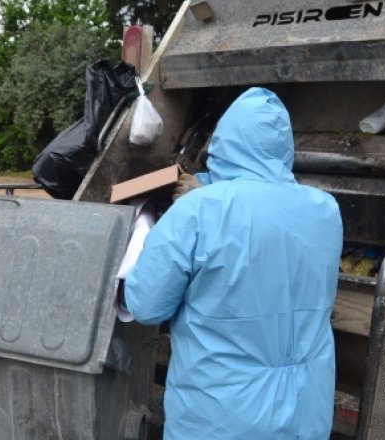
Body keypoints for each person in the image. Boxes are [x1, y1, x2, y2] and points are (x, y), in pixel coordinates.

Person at [125, 87, 343, 438]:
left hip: (219, 420)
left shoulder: (197, 211)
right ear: (284, 147)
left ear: (223, 141)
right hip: (305, 413)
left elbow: (146, 306)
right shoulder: (326, 210)